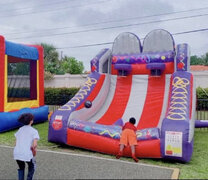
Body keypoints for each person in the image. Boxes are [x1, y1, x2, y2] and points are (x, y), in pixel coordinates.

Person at [13, 113, 40, 180]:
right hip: (27, 153)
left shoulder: (20, 129)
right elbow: (34, 145)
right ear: (31, 121)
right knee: (32, 166)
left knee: (21, 167)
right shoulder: (34, 131)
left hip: (17, 153)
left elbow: (15, 143)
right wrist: (33, 150)